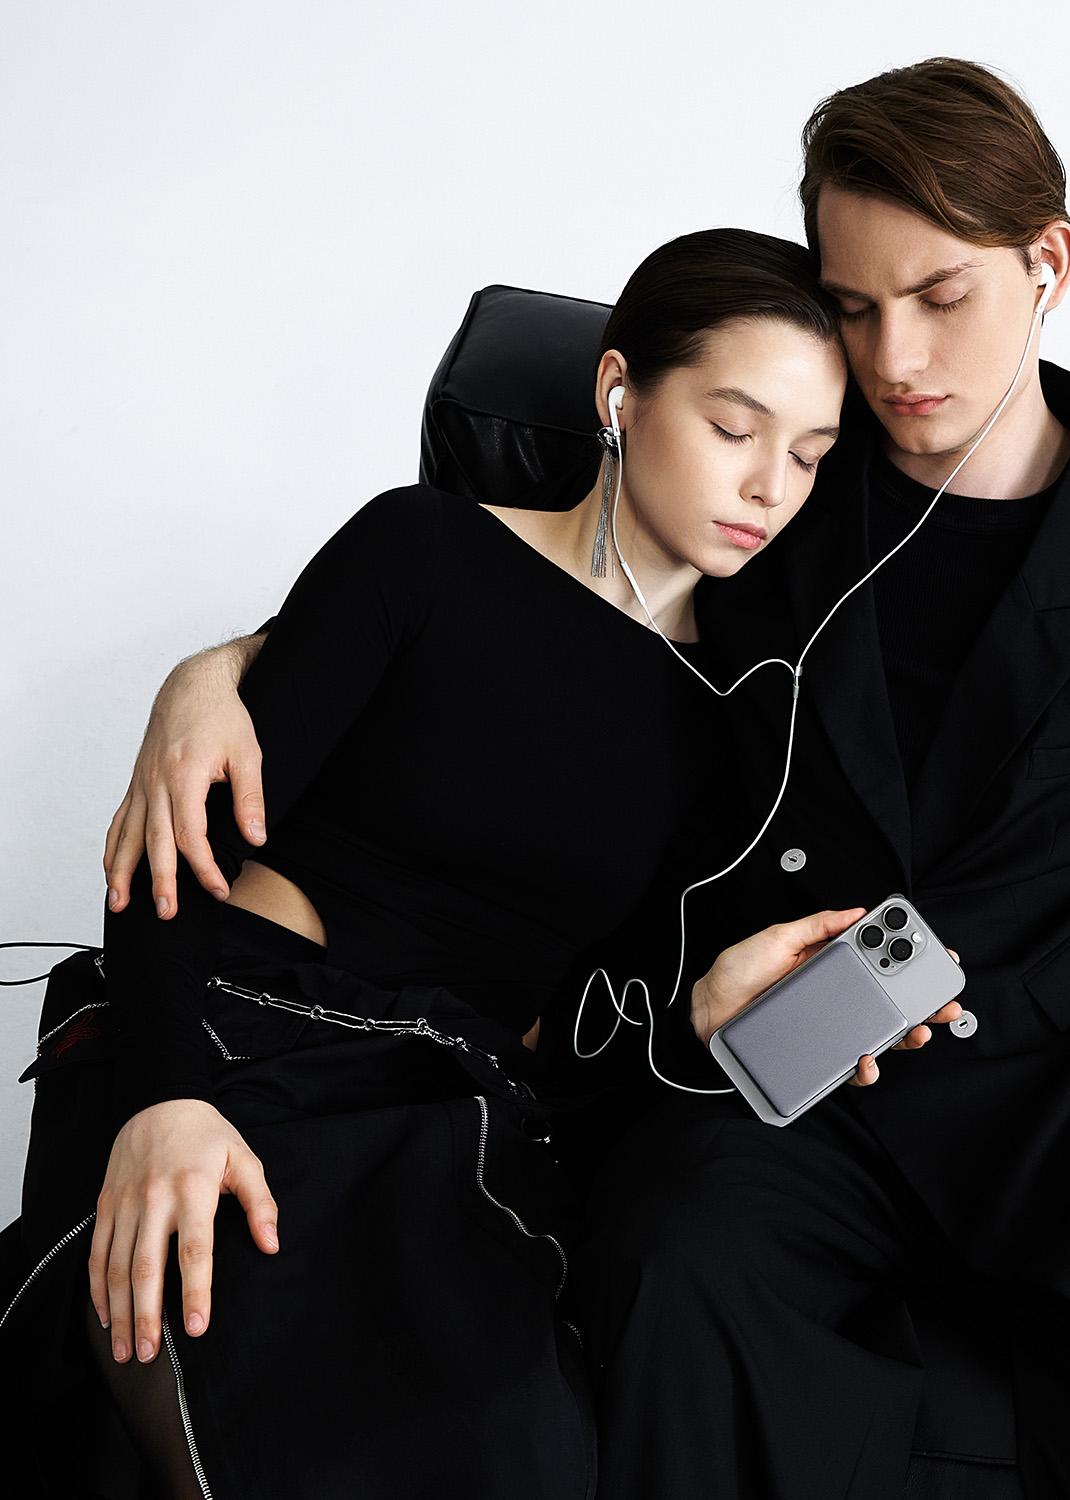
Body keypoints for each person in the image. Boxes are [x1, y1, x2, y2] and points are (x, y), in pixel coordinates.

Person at [94, 58, 1070, 1500]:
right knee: (668, 1270)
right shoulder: (780, 491)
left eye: (942, 296)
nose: (896, 361)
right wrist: (221, 668)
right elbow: (520, 611)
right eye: (855, 306)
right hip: (793, 1099)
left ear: (1050, 264)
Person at [0, 227, 957, 1500]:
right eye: (736, 426)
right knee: (239, 1345)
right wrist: (164, 1098)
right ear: (620, 393)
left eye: (809, 454)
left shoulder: (732, 729)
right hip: (243, 1040)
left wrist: (706, 1014)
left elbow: (578, 1056)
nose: (769, 485)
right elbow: (175, 847)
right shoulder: (424, 551)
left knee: (520, 1438)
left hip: (448, 1119)